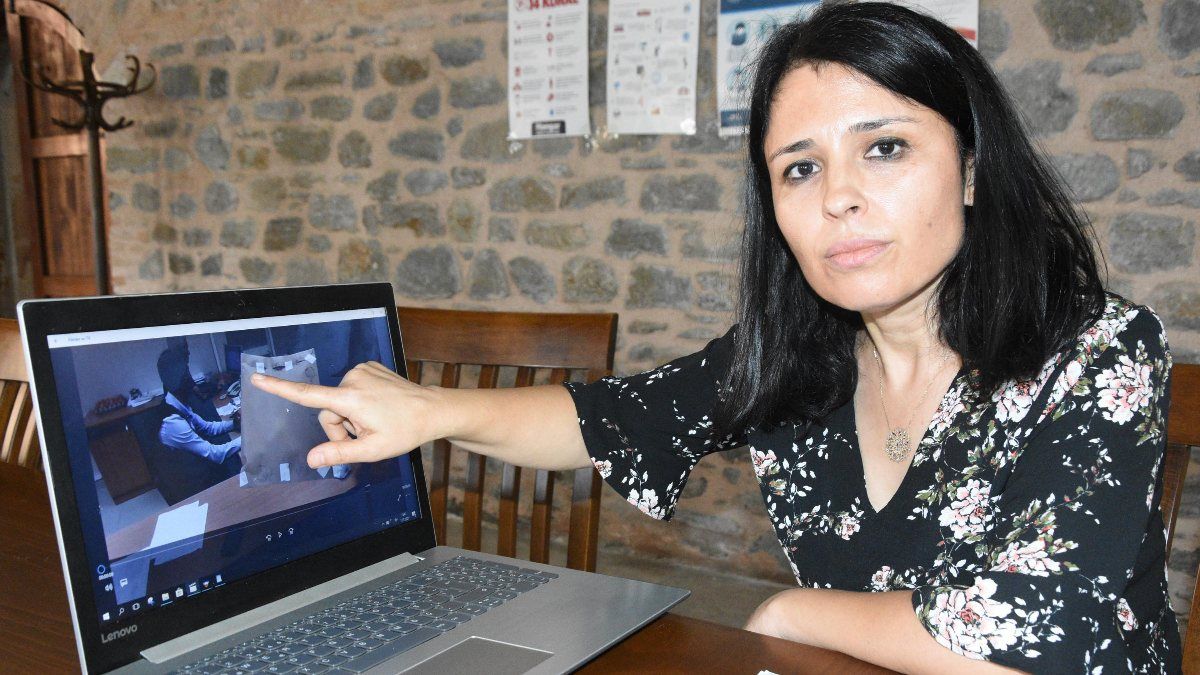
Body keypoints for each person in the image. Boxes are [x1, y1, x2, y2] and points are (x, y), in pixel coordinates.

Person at [252, 3, 1177, 672]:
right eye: (800, 168)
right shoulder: (801, 355)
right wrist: (430, 410)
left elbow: (1029, 635)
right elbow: (612, 419)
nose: (839, 196)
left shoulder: (1098, 352)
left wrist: (792, 611)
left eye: (885, 148)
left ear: (971, 168)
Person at [157, 345, 242, 465]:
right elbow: (216, 454)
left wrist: (234, 423)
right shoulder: (173, 422)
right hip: (197, 473)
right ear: (180, 381)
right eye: (186, 377)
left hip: (202, 464)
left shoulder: (178, 403)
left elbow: (207, 428)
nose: (191, 382)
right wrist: (248, 437)